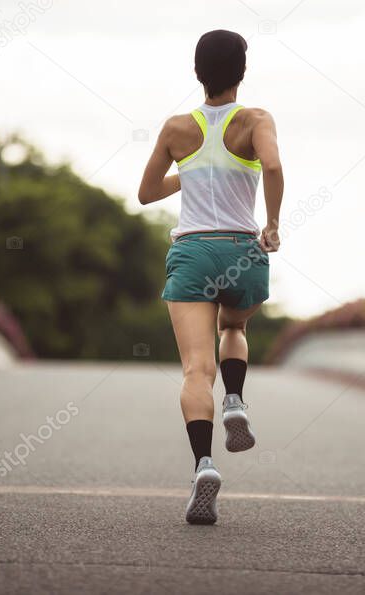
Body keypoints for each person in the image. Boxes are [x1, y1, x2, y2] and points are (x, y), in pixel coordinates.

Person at [138, 29, 283, 525]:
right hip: (243, 250)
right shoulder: (256, 119)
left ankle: (203, 465)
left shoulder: (177, 127)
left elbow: (146, 192)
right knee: (234, 327)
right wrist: (273, 224)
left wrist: (194, 170)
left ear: (197, 73)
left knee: (196, 372)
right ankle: (237, 401)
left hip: (193, 251)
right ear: (241, 72)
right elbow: (274, 165)